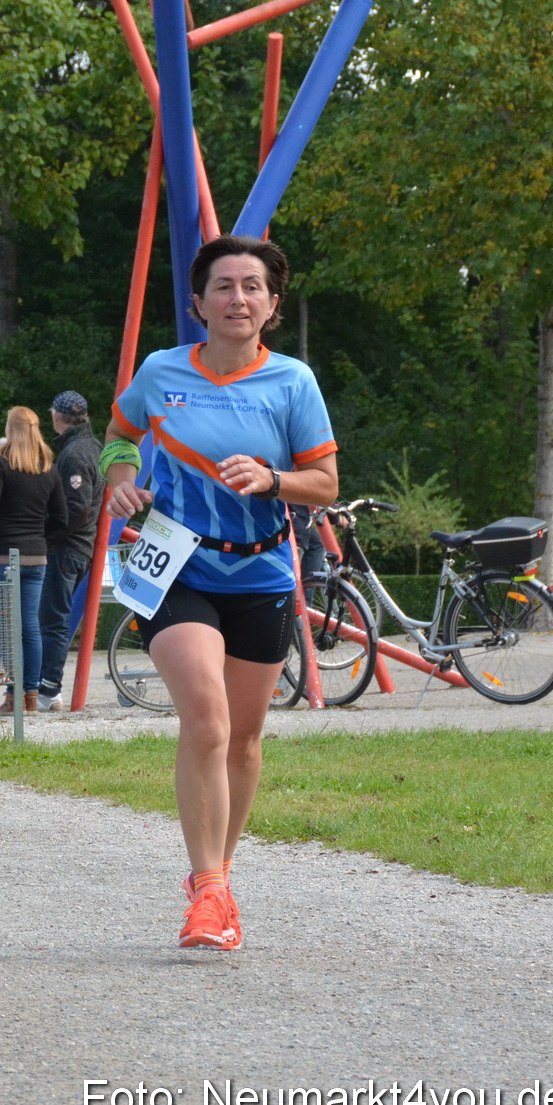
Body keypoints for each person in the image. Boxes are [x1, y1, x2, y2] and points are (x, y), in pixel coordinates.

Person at [103, 234, 338, 951]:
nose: (239, 298)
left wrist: (273, 480)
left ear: (271, 304)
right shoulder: (162, 370)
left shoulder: (292, 382)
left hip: (262, 571)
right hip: (175, 563)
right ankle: (207, 890)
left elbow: (326, 483)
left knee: (242, 737)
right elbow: (119, 433)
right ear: (198, 302)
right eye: (225, 286)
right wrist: (119, 479)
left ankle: (220, 877)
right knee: (204, 718)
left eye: (253, 287)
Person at [0, 406, 65, 714]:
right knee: (31, 628)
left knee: (7, 629)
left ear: (11, 430)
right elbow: (61, 518)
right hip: (35, 557)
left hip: (0, 554)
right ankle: (31, 696)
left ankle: (13, 696)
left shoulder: (0, 466)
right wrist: (39, 537)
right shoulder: (48, 468)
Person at [36, 391, 104, 710]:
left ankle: (50, 688)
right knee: (54, 617)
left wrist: (45, 534)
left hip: (68, 548)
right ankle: (48, 684)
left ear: (56, 417)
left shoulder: (74, 454)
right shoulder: (93, 448)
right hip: (83, 546)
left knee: (53, 618)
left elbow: (77, 510)